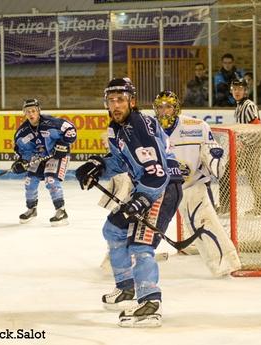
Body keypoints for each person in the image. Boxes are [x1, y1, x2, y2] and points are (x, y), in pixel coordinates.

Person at [75, 77, 183, 328]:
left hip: (162, 189)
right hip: (148, 186)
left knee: (140, 244)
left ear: (132, 102)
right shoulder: (116, 128)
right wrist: (98, 166)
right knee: (112, 229)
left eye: (121, 100)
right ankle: (126, 287)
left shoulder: (139, 127)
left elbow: (158, 173)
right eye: (111, 100)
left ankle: (150, 303)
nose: (116, 105)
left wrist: (142, 200)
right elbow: (121, 162)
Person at [152, 90, 241, 277]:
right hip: (160, 186)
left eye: (168, 106)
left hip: (192, 184)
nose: (164, 111)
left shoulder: (196, 126)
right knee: (145, 222)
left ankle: (225, 263)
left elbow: (212, 150)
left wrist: (215, 158)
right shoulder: (148, 128)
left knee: (202, 220)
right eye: (160, 107)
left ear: (176, 108)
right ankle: (124, 259)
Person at [11, 98, 76, 226]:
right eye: (28, 111)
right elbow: (23, 151)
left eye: (33, 111)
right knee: (29, 181)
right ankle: (31, 209)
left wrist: (62, 144)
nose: (31, 114)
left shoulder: (51, 123)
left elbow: (70, 129)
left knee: (50, 180)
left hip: (56, 155)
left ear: (39, 111)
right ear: (24, 113)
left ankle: (61, 211)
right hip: (39, 157)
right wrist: (22, 162)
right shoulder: (22, 132)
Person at [219, 79, 261, 215]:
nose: (237, 91)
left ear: (246, 91)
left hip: (251, 147)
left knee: (253, 176)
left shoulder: (248, 105)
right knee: (227, 172)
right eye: (235, 89)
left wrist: (243, 143)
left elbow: (256, 125)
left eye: (240, 89)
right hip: (244, 147)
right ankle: (226, 205)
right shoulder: (239, 106)